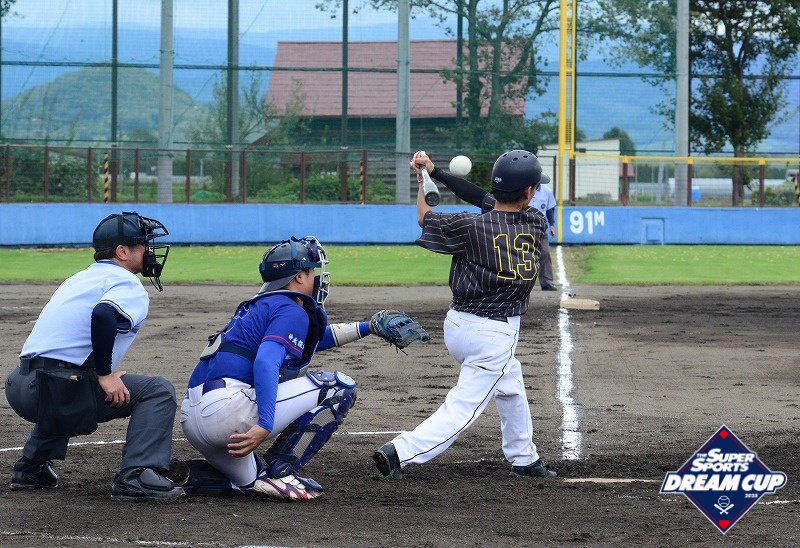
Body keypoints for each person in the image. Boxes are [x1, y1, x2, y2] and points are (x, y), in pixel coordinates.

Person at [179, 236, 427, 501]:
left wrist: (368, 327)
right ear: (298, 277)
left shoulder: (262, 306)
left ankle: (183, 475)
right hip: (227, 412)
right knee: (338, 387)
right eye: (311, 271)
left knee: (254, 483)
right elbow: (266, 361)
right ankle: (282, 471)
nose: (317, 277)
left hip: (193, 419)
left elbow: (309, 340)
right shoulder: (290, 309)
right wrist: (265, 424)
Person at [373, 150, 557, 480]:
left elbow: (425, 216)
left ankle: (524, 458)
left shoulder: (469, 227)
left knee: (510, 384)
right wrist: (435, 173)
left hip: (458, 325)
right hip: (493, 335)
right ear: (528, 193)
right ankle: (400, 452)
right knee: (464, 407)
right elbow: (484, 199)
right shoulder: (535, 221)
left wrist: (425, 179)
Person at [5, 211, 185, 501]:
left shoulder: (78, 279)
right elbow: (103, 314)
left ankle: (31, 468)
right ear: (122, 252)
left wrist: (96, 372)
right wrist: (104, 375)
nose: (149, 251)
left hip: (20, 386)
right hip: (53, 389)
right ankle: (138, 475)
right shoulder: (126, 282)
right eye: (143, 244)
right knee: (158, 390)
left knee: (69, 380)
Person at [530, 181, 558, 291]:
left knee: (545, 253)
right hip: (524, 226)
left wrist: (552, 225)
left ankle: (547, 282)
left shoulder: (547, 191)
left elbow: (550, 209)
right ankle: (518, 282)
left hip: (540, 228)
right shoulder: (524, 188)